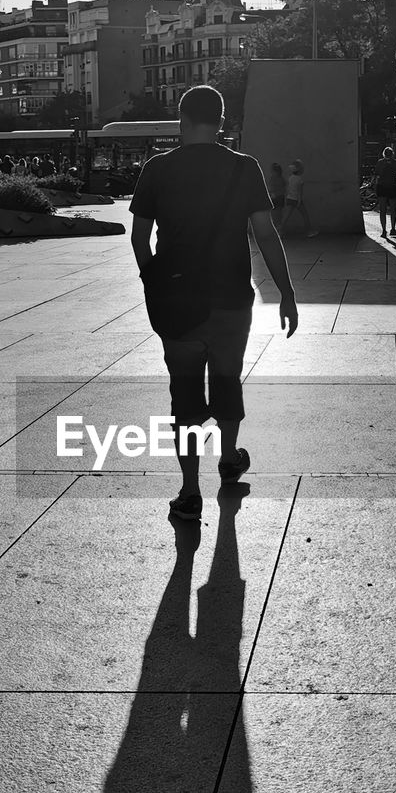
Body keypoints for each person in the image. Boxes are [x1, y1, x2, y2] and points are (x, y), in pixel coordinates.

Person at [129, 84, 299, 521]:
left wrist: (154, 282)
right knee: (227, 380)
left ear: (181, 120)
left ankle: (189, 491)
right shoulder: (245, 168)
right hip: (230, 299)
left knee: (184, 396)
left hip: (178, 301)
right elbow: (265, 234)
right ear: (222, 123)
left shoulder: (158, 169)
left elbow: (140, 238)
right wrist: (286, 292)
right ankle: (228, 460)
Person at [279, 159, 317, 237]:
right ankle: (309, 231)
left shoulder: (290, 178)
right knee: (305, 215)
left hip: (290, 199)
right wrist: (299, 201)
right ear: (300, 170)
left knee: (286, 217)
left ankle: (280, 232)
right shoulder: (300, 179)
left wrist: (287, 198)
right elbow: (300, 192)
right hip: (296, 200)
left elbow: (288, 189)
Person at [374, 146, 396, 235]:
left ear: (384, 154)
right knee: (393, 209)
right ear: (392, 154)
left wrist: (376, 187)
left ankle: (383, 230)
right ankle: (393, 229)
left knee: (382, 210)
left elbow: (376, 176)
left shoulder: (380, 162)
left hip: (382, 187)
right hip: (392, 186)